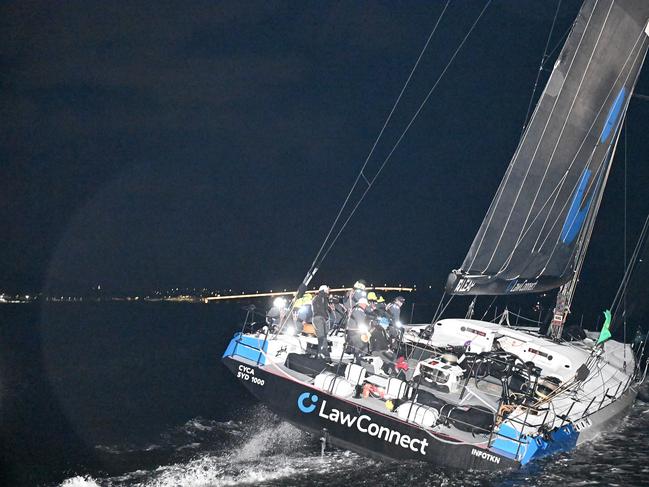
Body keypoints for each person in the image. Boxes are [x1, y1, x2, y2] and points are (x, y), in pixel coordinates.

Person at [346, 297, 370, 363]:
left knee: (358, 347)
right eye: (365, 304)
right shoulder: (359, 311)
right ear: (362, 304)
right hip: (356, 332)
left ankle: (356, 360)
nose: (365, 306)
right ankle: (358, 362)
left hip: (353, 331)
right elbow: (361, 323)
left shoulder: (355, 309)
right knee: (362, 347)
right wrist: (365, 332)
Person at [312, 285, 331, 360]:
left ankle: (324, 354)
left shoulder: (320, 297)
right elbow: (321, 309)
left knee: (324, 336)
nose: (328, 292)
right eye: (327, 290)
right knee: (322, 337)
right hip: (319, 318)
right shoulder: (321, 297)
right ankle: (320, 355)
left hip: (320, 318)